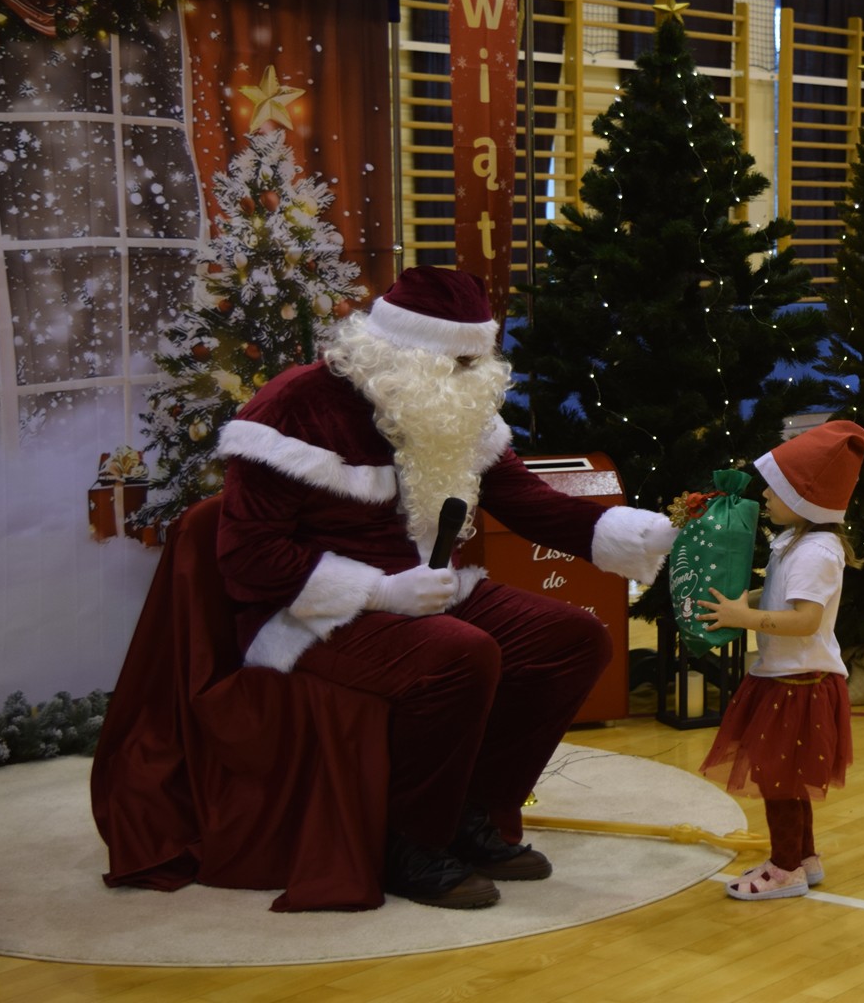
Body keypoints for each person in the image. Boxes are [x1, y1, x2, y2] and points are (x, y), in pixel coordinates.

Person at [214, 266, 678, 910]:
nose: (470, 375)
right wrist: (381, 592)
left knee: (573, 640)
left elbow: (524, 499)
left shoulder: (451, 403)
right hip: (307, 610)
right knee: (461, 654)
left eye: (475, 360)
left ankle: (470, 812)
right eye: (456, 361)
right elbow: (249, 559)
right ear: (400, 349)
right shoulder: (295, 407)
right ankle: (409, 841)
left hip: (432, 589)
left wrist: (636, 532)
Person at [694, 420, 864, 900]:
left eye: (775, 488)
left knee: (778, 779)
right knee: (786, 777)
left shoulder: (815, 553)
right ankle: (803, 856)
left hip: (798, 684)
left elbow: (805, 620)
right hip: (787, 678)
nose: (764, 495)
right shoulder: (795, 542)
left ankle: (784, 869)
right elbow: (782, 600)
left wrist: (744, 618)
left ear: (804, 499)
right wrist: (741, 604)